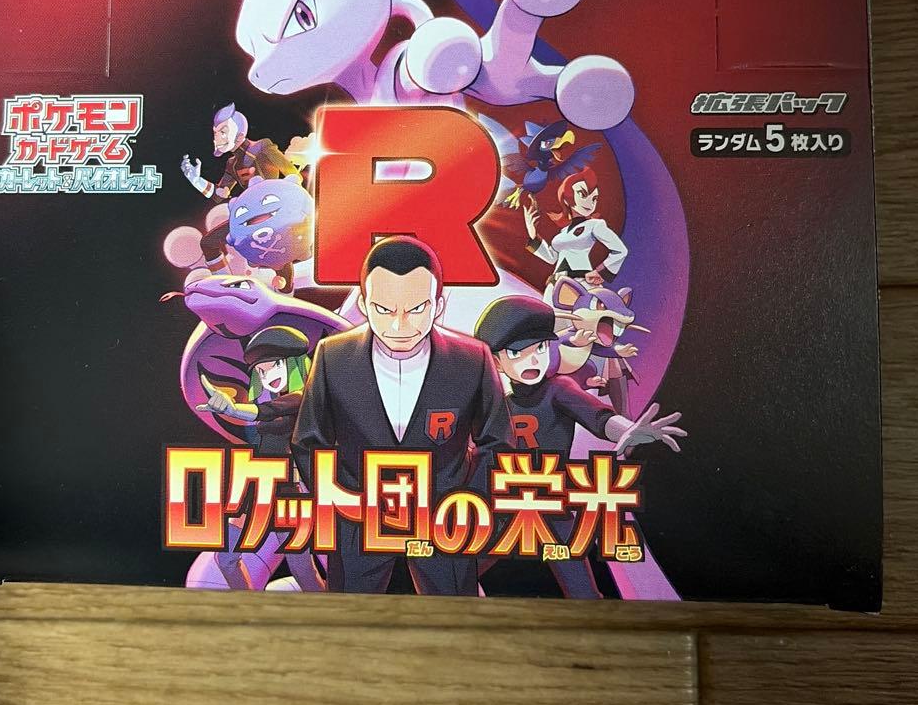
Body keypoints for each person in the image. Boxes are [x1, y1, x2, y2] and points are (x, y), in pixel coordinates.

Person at [291, 236, 512, 595]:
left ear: (438, 305)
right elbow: (307, 440)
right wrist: (341, 498)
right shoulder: (332, 355)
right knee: (350, 619)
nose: (399, 326)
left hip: (445, 520)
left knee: (453, 620)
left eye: (416, 309)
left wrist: (466, 503)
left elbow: (498, 442)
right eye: (383, 309)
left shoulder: (472, 359)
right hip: (358, 520)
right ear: (363, 303)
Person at [474, 295, 685, 597]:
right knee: (453, 572)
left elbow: (597, 416)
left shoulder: (558, 389)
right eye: (517, 353)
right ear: (496, 361)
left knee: (583, 593)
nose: (532, 361)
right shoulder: (495, 403)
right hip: (504, 506)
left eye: (540, 348)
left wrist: (627, 431)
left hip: (551, 505)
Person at [195, 326, 324, 591]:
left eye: (275, 365)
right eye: (261, 372)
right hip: (258, 486)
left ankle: (331, 610)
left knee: (302, 569)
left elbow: (266, 411)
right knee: (226, 558)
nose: (268, 376)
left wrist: (233, 409)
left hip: (289, 490)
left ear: (294, 364)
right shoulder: (275, 400)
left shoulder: (302, 398)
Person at [523, 164, 627, 288]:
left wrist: (600, 272)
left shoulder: (595, 225)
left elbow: (620, 250)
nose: (590, 202)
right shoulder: (563, 231)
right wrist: (533, 235)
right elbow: (552, 258)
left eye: (594, 198)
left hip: (581, 282)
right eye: (583, 194)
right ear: (566, 198)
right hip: (556, 283)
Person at [180, 102, 297, 200]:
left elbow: (292, 173)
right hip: (255, 210)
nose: (216, 137)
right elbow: (220, 194)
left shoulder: (262, 146)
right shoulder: (232, 164)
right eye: (216, 132)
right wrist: (196, 181)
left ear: (239, 136)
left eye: (223, 132)